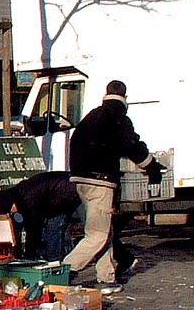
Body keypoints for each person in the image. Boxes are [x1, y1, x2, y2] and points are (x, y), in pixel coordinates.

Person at [62, 80, 161, 293]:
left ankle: (106, 276)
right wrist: (151, 166)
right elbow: (131, 146)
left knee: (104, 229)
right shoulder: (117, 118)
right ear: (125, 97)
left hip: (80, 180)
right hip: (100, 181)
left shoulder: (91, 116)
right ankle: (64, 271)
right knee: (97, 234)